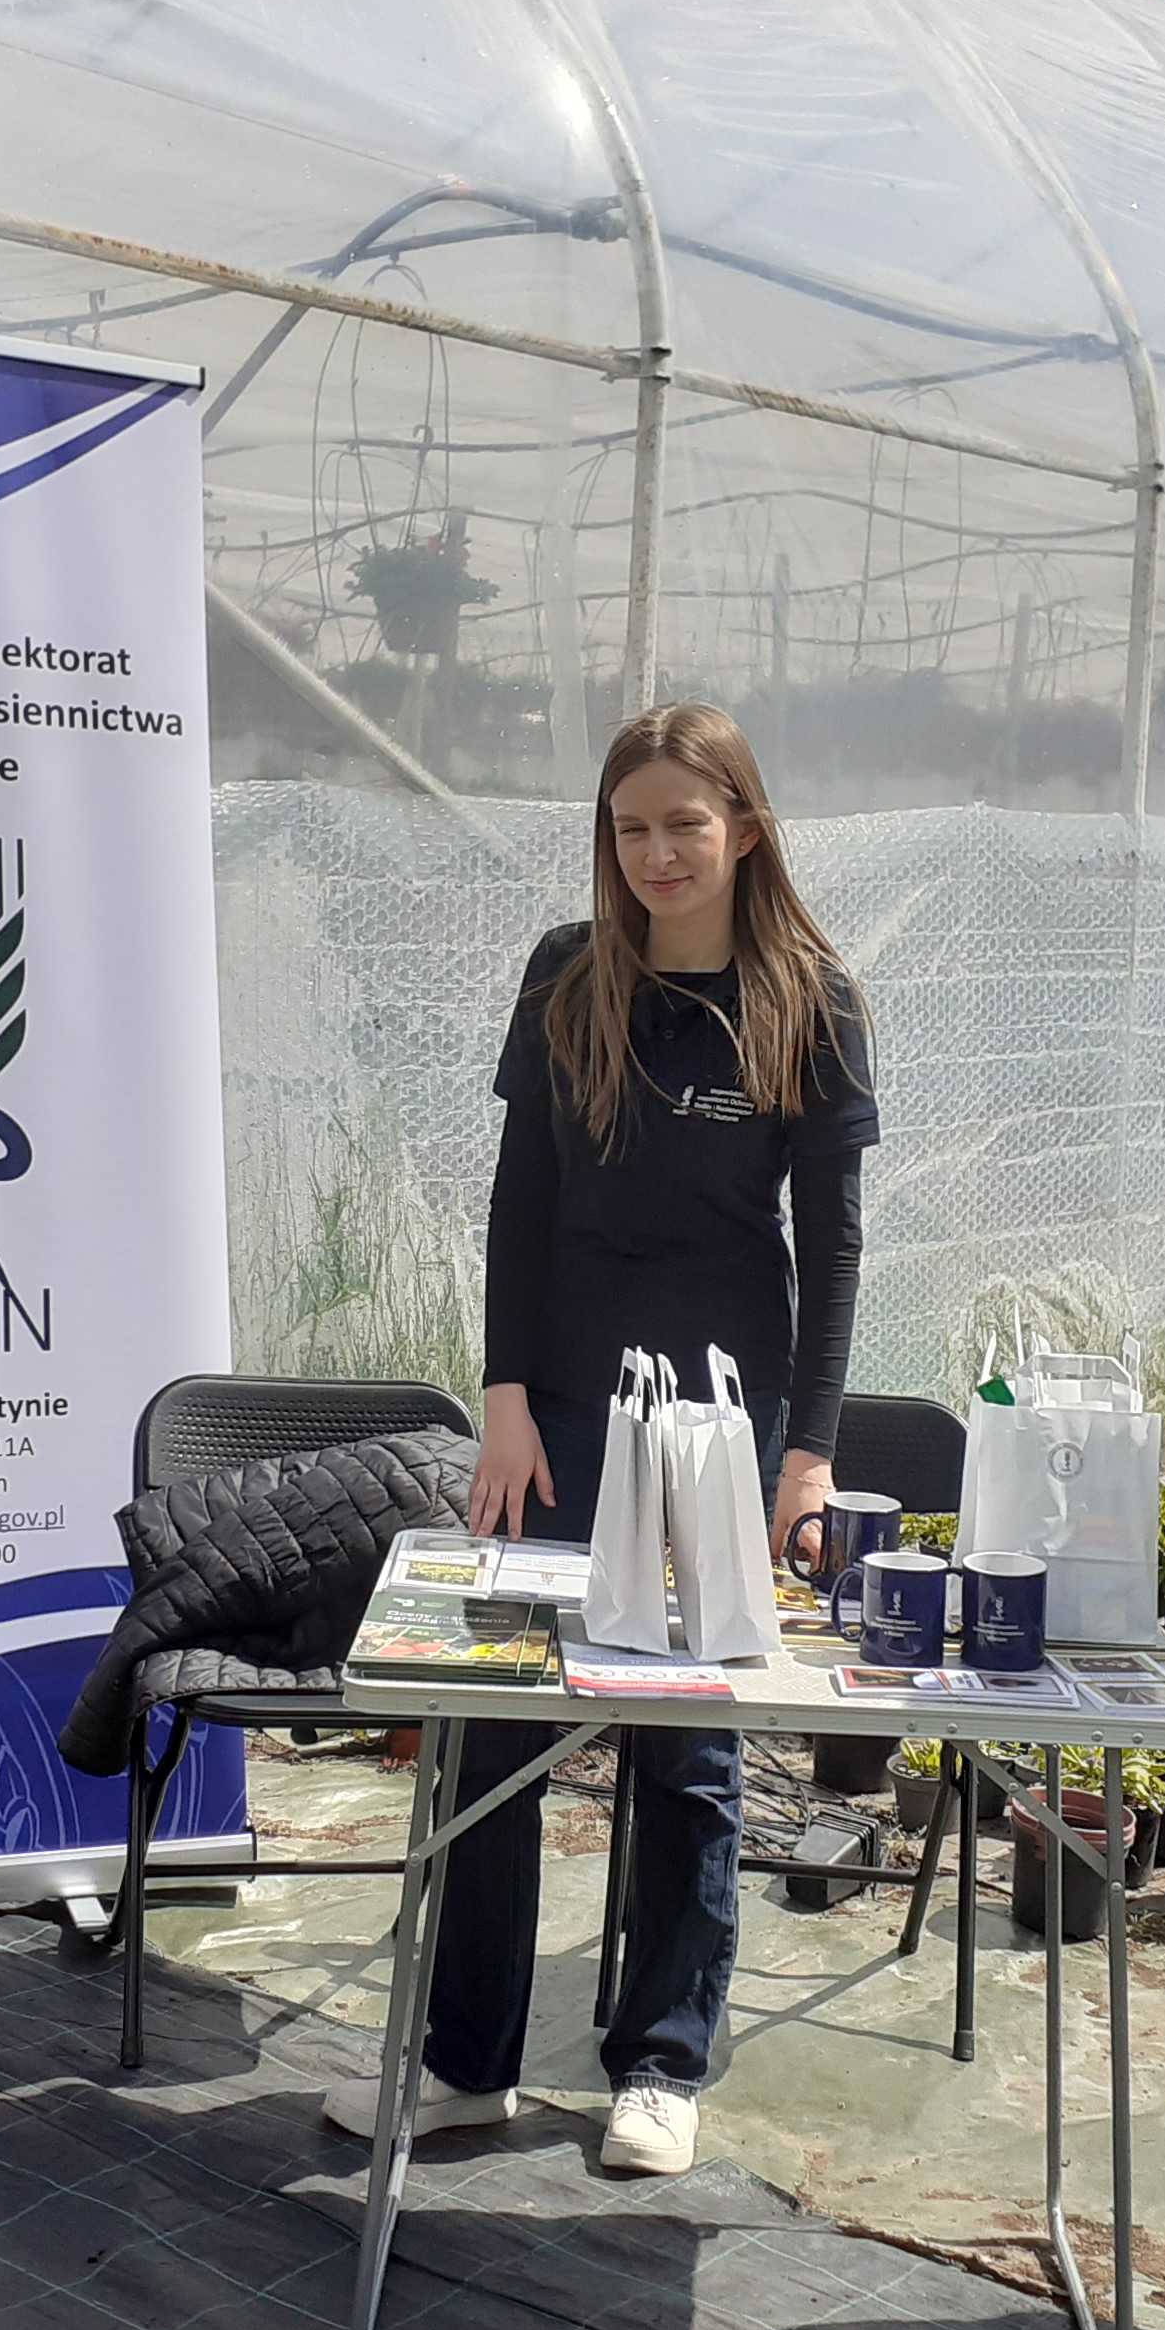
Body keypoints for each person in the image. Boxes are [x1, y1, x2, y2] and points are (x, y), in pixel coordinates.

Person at [323, 702, 876, 2181]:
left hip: (718, 1422)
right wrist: (503, 1398)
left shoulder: (811, 998)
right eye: (631, 828)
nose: (657, 854)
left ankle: (662, 2064)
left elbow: (833, 1248)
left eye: (686, 823)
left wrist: (805, 1453)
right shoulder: (566, 975)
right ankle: (465, 2065)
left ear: (745, 828)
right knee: (488, 1731)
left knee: (687, 1744)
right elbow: (520, 1200)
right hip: (560, 1415)